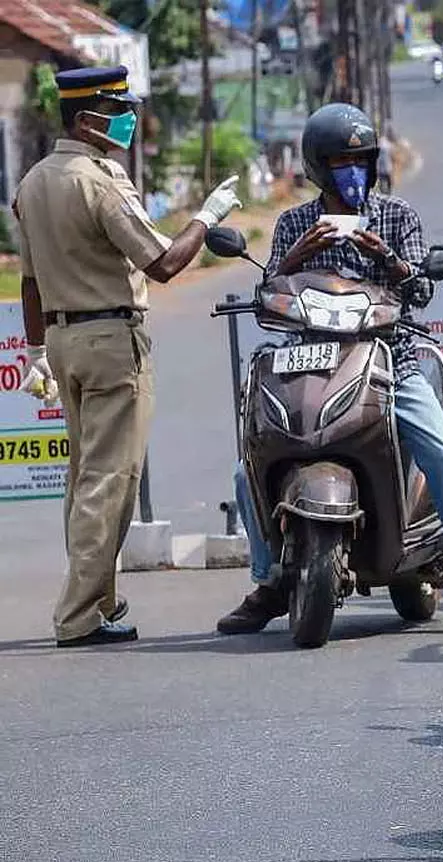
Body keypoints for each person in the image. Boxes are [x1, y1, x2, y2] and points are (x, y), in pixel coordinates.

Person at [215, 103, 443, 637]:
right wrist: (295, 257)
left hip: (390, 359)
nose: (352, 171)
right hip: (309, 361)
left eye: (361, 160)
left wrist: (389, 259)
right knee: (248, 467)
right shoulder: (293, 224)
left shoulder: (397, 218)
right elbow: (268, 298)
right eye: (340, 162)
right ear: (318, 167)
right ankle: (269, 581)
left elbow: (422, 290)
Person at [13, 66, 241, 647]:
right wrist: (208, 216)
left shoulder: (34, 182)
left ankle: (101, 598)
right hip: (111, 339)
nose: (128, 122)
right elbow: (163, 263)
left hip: (63, 341)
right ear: (88, 120)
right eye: (118, 112)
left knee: (84, 478)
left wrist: (36, 349)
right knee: (110, 481)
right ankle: (78, 615)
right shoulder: (99, 183)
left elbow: (31, 282)